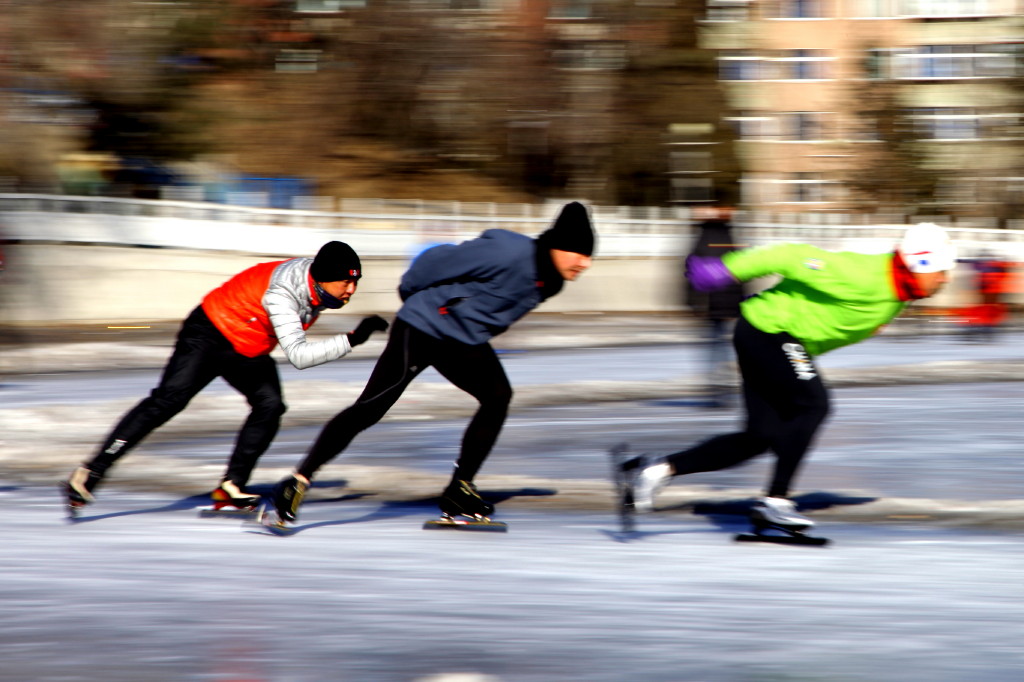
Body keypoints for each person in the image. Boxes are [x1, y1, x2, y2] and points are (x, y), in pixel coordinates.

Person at [270, 202, 596, 524]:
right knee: (371, 407)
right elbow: (440, 260)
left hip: (463, 339)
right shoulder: (508, 251)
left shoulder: (550, 280)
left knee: (498, 396)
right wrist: (411, 293)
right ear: (557, 244)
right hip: (423, 327)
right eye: (579, 253)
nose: (586, 264)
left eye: (589, 255)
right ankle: (298, 480)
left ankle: (460, 488)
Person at [618, 222, 956, 530]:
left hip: (770, 334)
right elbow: (791, 255)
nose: (946, 279)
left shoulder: (899, 292)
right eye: (942, 270)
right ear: (919, 264)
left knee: (757, 438)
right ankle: (775, 501)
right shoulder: (864, 275)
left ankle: (655, 469)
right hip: (772, 330)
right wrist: (725, 270)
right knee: (814, 405)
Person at [61, 241, 389, 513]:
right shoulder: (283, 294)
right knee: (168, 401)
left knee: (270, 405)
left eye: (355, 281)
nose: (352, 290)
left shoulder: (319, 277)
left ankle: (231, 487)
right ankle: (91, 471)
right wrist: (352, 340)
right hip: (209, 332)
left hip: (248, 345)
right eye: (346, 282)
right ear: (323, 278)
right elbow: (300, 356)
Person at [685, 204, 745, 407]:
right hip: (729, 304)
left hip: (709, 304)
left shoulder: (700, 241)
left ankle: (716, 390)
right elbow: (743, 272)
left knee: (713, 347)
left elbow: (690, 273)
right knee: (727, 347)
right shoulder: (731, 242)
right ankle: (726, 388)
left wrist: (693, 304)